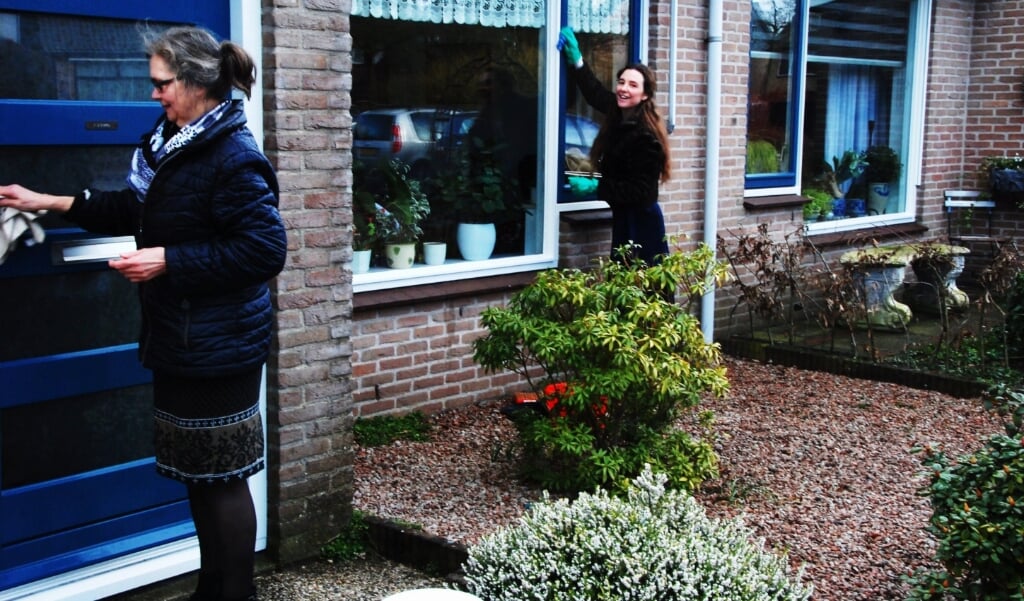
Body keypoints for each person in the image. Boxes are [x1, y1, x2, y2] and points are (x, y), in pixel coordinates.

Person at [0, 26, 286, 601]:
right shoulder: (167, 141)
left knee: (223, 480)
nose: (153, 94)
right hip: (180, 338)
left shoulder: (232, 156)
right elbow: (131, 205)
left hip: (221, 345)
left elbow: (265, 250)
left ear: (198, 82)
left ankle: (237, 596)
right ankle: (213, 590)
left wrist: (169, 261)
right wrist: (48, 202)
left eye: (161, 84)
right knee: (200, 478)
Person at [559, 27, 672, 266]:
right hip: (624, 219)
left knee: (644, 295)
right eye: (621, 82)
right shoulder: (619, 112)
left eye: (633, 85)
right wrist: (577, 60)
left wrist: (596, 186)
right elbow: (594, 93)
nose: (624, 88)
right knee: (623, 288)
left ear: (644, 95)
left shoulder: (647, 137)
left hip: (643, 224)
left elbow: (640, 192)